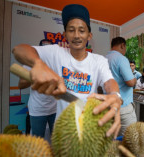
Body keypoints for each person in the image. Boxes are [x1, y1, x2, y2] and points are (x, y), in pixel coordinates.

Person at [12, 4, 122, 138]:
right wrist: (38, 63)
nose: (76, 35)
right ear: (65, 35)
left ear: (89, 35)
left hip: (87, 128)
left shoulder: (99, 60)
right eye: (71, 30)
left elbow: (109, 81)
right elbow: (19, 49)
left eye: (82, 31)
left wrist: (115, 94)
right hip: (63, 130)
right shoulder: (56, 53)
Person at [18, 39, 56, 138]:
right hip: (38, 110)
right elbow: (21, 85)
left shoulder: (57, 62)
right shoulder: (29, 62)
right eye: (43, 48)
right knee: (38, 142)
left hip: (55, 109)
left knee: (57, 142)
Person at [106, 37, 137, 136]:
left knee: (112, 139)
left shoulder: (103, 59)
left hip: (108, 107)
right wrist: (135, 79)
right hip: (123, 108)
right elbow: (130, 82)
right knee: (130, 139)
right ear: (122, 45)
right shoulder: (121, 59)